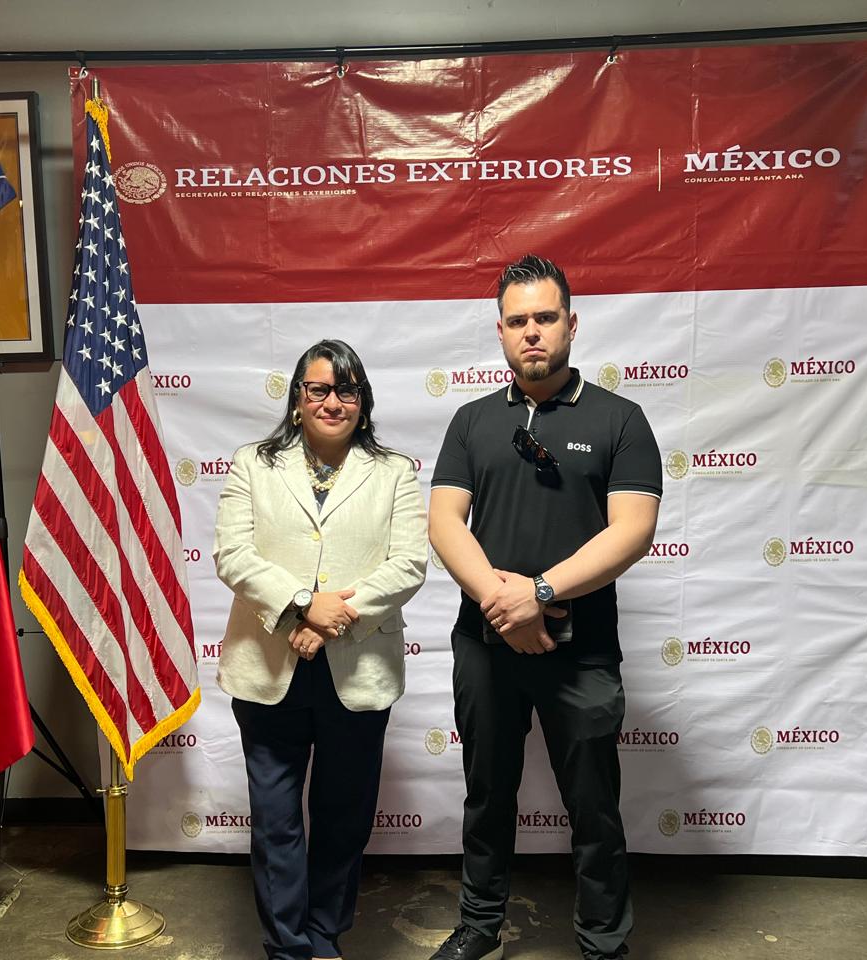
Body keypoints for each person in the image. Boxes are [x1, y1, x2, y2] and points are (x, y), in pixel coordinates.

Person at [428, 255, 662, 960]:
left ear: (571, 324)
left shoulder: (620, 419)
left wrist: (539, 593)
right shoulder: (471, 421)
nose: (532, 331)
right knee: (486, 795)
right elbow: (444, 522)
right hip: (485, 643)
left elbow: (632, 531)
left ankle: (603, 942)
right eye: (518, 321)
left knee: (593, 806)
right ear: (500, 331)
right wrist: (502, 605)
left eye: (545, 317)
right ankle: (480, 926)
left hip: (581, 649)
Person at [213, 338, 428, 960]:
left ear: (363, 401)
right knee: (275, 819)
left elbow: (408, 564)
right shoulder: (253, 464)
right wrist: (304, 605)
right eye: (319, 389)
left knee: (343, 816)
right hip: (268, 667)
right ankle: (287, 948)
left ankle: (324, 935)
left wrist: (332, 621)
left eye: (347, 390)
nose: (333, 402)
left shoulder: (394, 472)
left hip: (358, 669)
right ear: (297, 398)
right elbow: (233, 555)